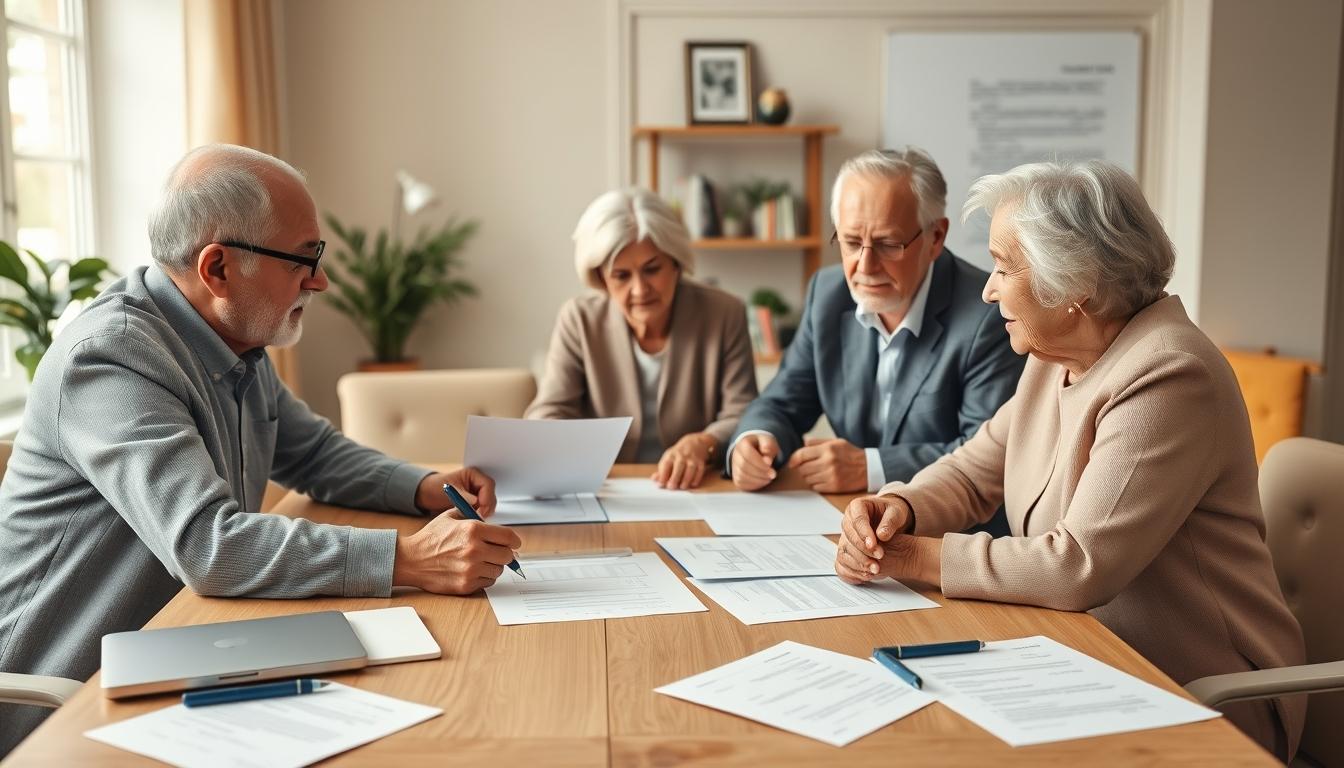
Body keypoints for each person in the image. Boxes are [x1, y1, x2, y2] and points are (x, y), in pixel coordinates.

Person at [0, 144, 522, 754]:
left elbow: (315, 455)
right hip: (59, 699)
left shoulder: (230, 337)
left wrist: (422, 486)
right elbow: (210, 546)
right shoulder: (112, 357)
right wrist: (408, 559)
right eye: (304, 259)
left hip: (176, 651)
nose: (321, 281)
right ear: (218, 268)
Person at [835, 160, 1306, 759]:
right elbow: (973, 469)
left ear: (1075, 284)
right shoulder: (1056, 353)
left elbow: (1078, 564)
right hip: (1082, 657)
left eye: (1005, 267)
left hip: (1200, 692)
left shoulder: (1170, 373)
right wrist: (897, 506)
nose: (988, 287)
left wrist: (915, 556)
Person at [729, 147, 1023, 495]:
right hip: (849, 518)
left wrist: (871, 468)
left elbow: (987, 458)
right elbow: (782, 403)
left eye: (887, 244)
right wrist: (756, 440)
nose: (865, 267)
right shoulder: (827, 293)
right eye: (852, 242)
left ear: (936, 238)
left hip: (947, 530)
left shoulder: (988, 313)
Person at [526, 187, 757, 490]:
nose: (639, 289)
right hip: (606, 487)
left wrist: (704, 442)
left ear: (676, 264)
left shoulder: (724, 313)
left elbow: (744, 411)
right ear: (601, 278)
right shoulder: (579, 318)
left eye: (652, 269)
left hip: (698, 486)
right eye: (621, 275)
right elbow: (549, 411)